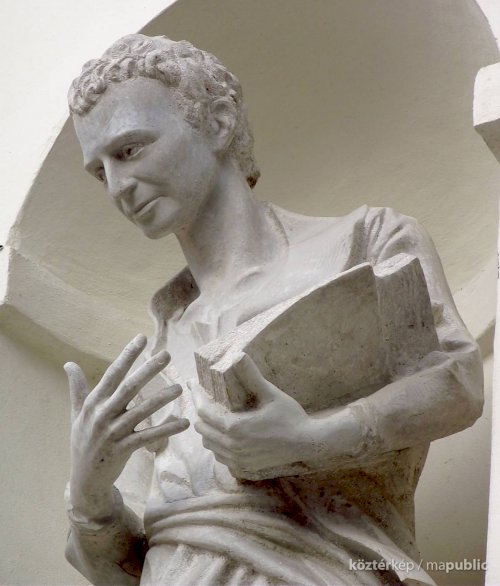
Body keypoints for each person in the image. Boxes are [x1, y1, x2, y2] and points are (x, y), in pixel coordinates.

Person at [64, 34, 483, 586]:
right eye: (100, 172)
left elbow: (456, 381)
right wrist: (89, 496)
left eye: (129, 150)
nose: (118, 187)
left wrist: (311, 441)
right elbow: (125, 572)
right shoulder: (155, 357)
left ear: (217, 123)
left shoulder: (363, 244)